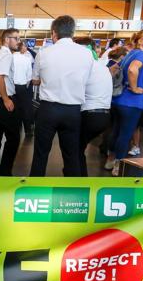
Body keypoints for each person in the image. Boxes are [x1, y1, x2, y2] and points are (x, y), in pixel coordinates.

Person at [29, 16, 94, 177]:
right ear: (73, 32)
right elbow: (87, 80)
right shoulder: (86, 54)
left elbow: (35, 79)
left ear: (53, 33)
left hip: (48, 109)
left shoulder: (43, 53)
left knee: (40, 153)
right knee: (71, 155)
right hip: (73, 110)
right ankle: (74, 195)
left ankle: (34, 191)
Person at [108, 29, 143, 175]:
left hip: (118, 100)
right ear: (140, 41)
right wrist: (134, 88)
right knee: (125, 134)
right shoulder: (141, 54)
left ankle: (110, 160)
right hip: (132, 102)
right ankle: (118, 165)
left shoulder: (130, 53)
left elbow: (112, 69)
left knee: (116, 131)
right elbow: (132, 70)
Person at [73, 37, 112, 177]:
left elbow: (74, 92)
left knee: (75, 149)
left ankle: (78, 181)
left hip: (90, 114)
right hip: (105, 115)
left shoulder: (85, 67)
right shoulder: (102, 66)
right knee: (79, 148)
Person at [0, 28, 22, 176]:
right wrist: (6, 99)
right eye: (16, 38)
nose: (19, 42)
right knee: (14, 138)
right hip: (2, 101)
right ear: (7, 39)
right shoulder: (6, 55)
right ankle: (5, 172)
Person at [13, 41, 34, 137]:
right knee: (25, 108)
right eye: (25, 46)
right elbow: (29, 76)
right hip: (23, 87)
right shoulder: (27, 59)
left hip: (11, 87)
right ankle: (28, 130)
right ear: (22, 48)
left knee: (13, 108)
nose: (26, 48)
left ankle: (14, 129)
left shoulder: (10, 58)